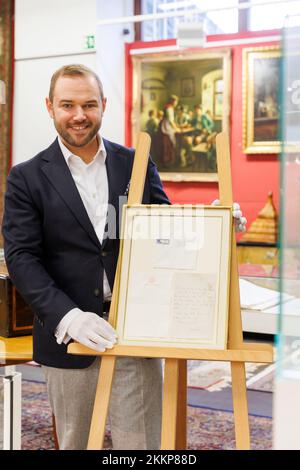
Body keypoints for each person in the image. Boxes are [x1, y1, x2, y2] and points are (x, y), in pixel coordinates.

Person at [2, 64, 170, 450]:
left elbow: (164, 229)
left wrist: (210, 222)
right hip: (68, 337)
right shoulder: (26, 177)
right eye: (67, 105)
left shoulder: (135, 163)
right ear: (50, 107)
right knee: (76, 441)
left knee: (141, 445)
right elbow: (23, 257)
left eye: (89, 104)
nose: (79, 115)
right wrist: (68, 317)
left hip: (135, 329)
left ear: (104, 105)